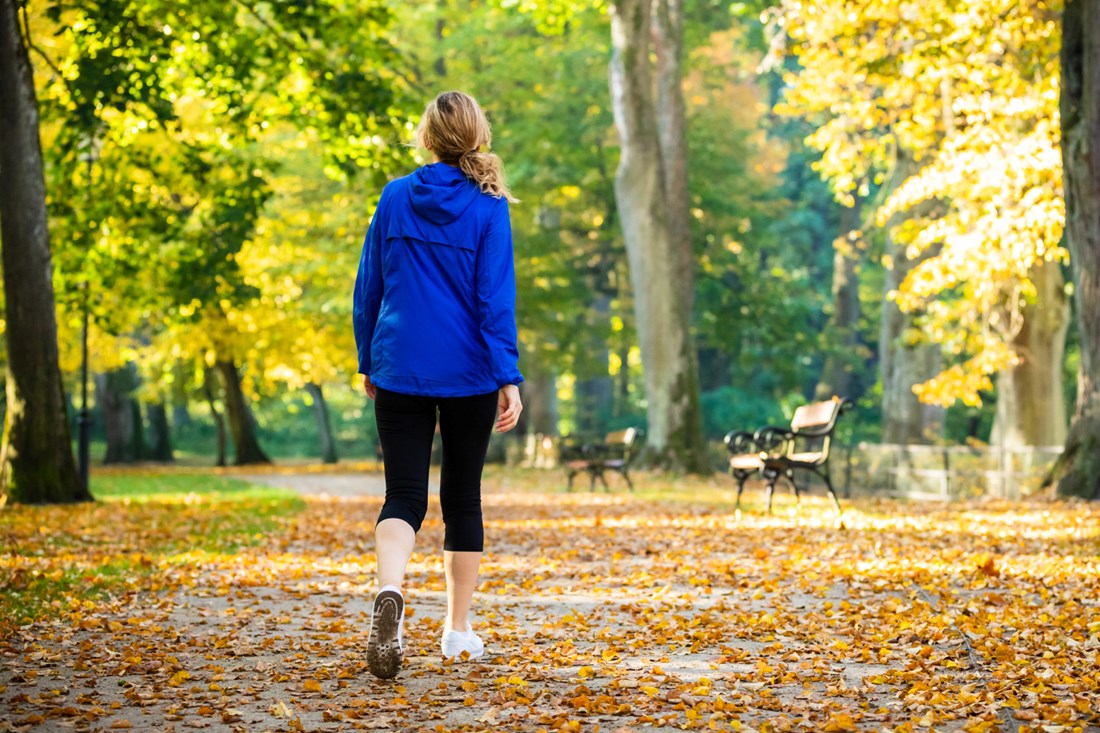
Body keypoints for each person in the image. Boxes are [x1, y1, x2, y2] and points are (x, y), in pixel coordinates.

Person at [352, 91, 524, 680]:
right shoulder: (489, 204)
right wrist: (508, 375)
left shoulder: (396, 196)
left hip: (401, 364)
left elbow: (368, 284)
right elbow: (494, 299)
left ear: (426, 137)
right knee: (462, 497)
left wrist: (368, 357)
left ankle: (390, 591)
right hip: (470, 373)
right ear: (478, 136)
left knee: (402, 494)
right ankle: (456, 631)